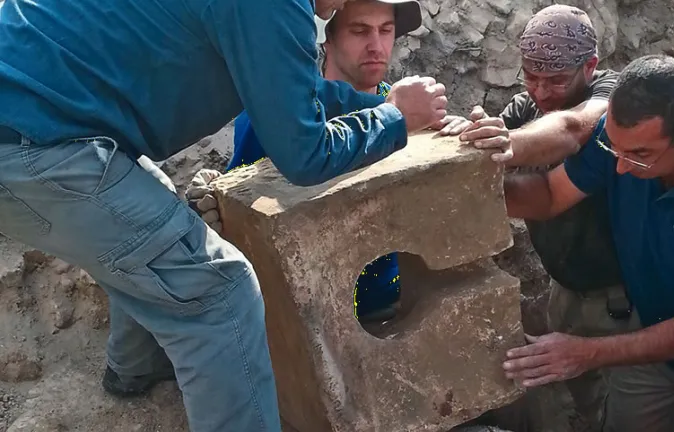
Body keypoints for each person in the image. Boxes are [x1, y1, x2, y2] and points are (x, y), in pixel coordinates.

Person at [0, 0, 449, 429]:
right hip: (34, 138)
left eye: (385, 30)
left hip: (35, 115)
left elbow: (290, 92)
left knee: (150, 208)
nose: (332, 9)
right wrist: (392, 119)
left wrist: (383, 109)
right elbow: (305, 154)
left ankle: (134, 369)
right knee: (220, 294)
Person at [501, 54, 674, 432]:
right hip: (649, 334)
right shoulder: (626, 136)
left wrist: (585, 353)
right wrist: (475, 188)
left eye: (640, 156)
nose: (621, 168)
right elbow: (549, 195)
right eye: (614, 149)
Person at [187, 0, 470, 322]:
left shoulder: (414, 114)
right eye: (360, 31)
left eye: (386, 30)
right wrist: (212, 201)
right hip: (301, 314)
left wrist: (460, 138)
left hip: (394, 303)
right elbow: (237, 202)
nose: (376, 46)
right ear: (326, 36)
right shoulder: (278, 116)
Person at [457, 5, 627, 429]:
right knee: (583, 402)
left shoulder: (615, 95)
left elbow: (572, 128)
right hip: (564, 290)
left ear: (590, 66)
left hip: (621, 300)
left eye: (555, 80)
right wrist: (472, 135)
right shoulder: (526, 106)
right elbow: (494, 135)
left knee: (625, 411)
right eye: (530, 77)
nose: (541, 92)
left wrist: (507, 144)